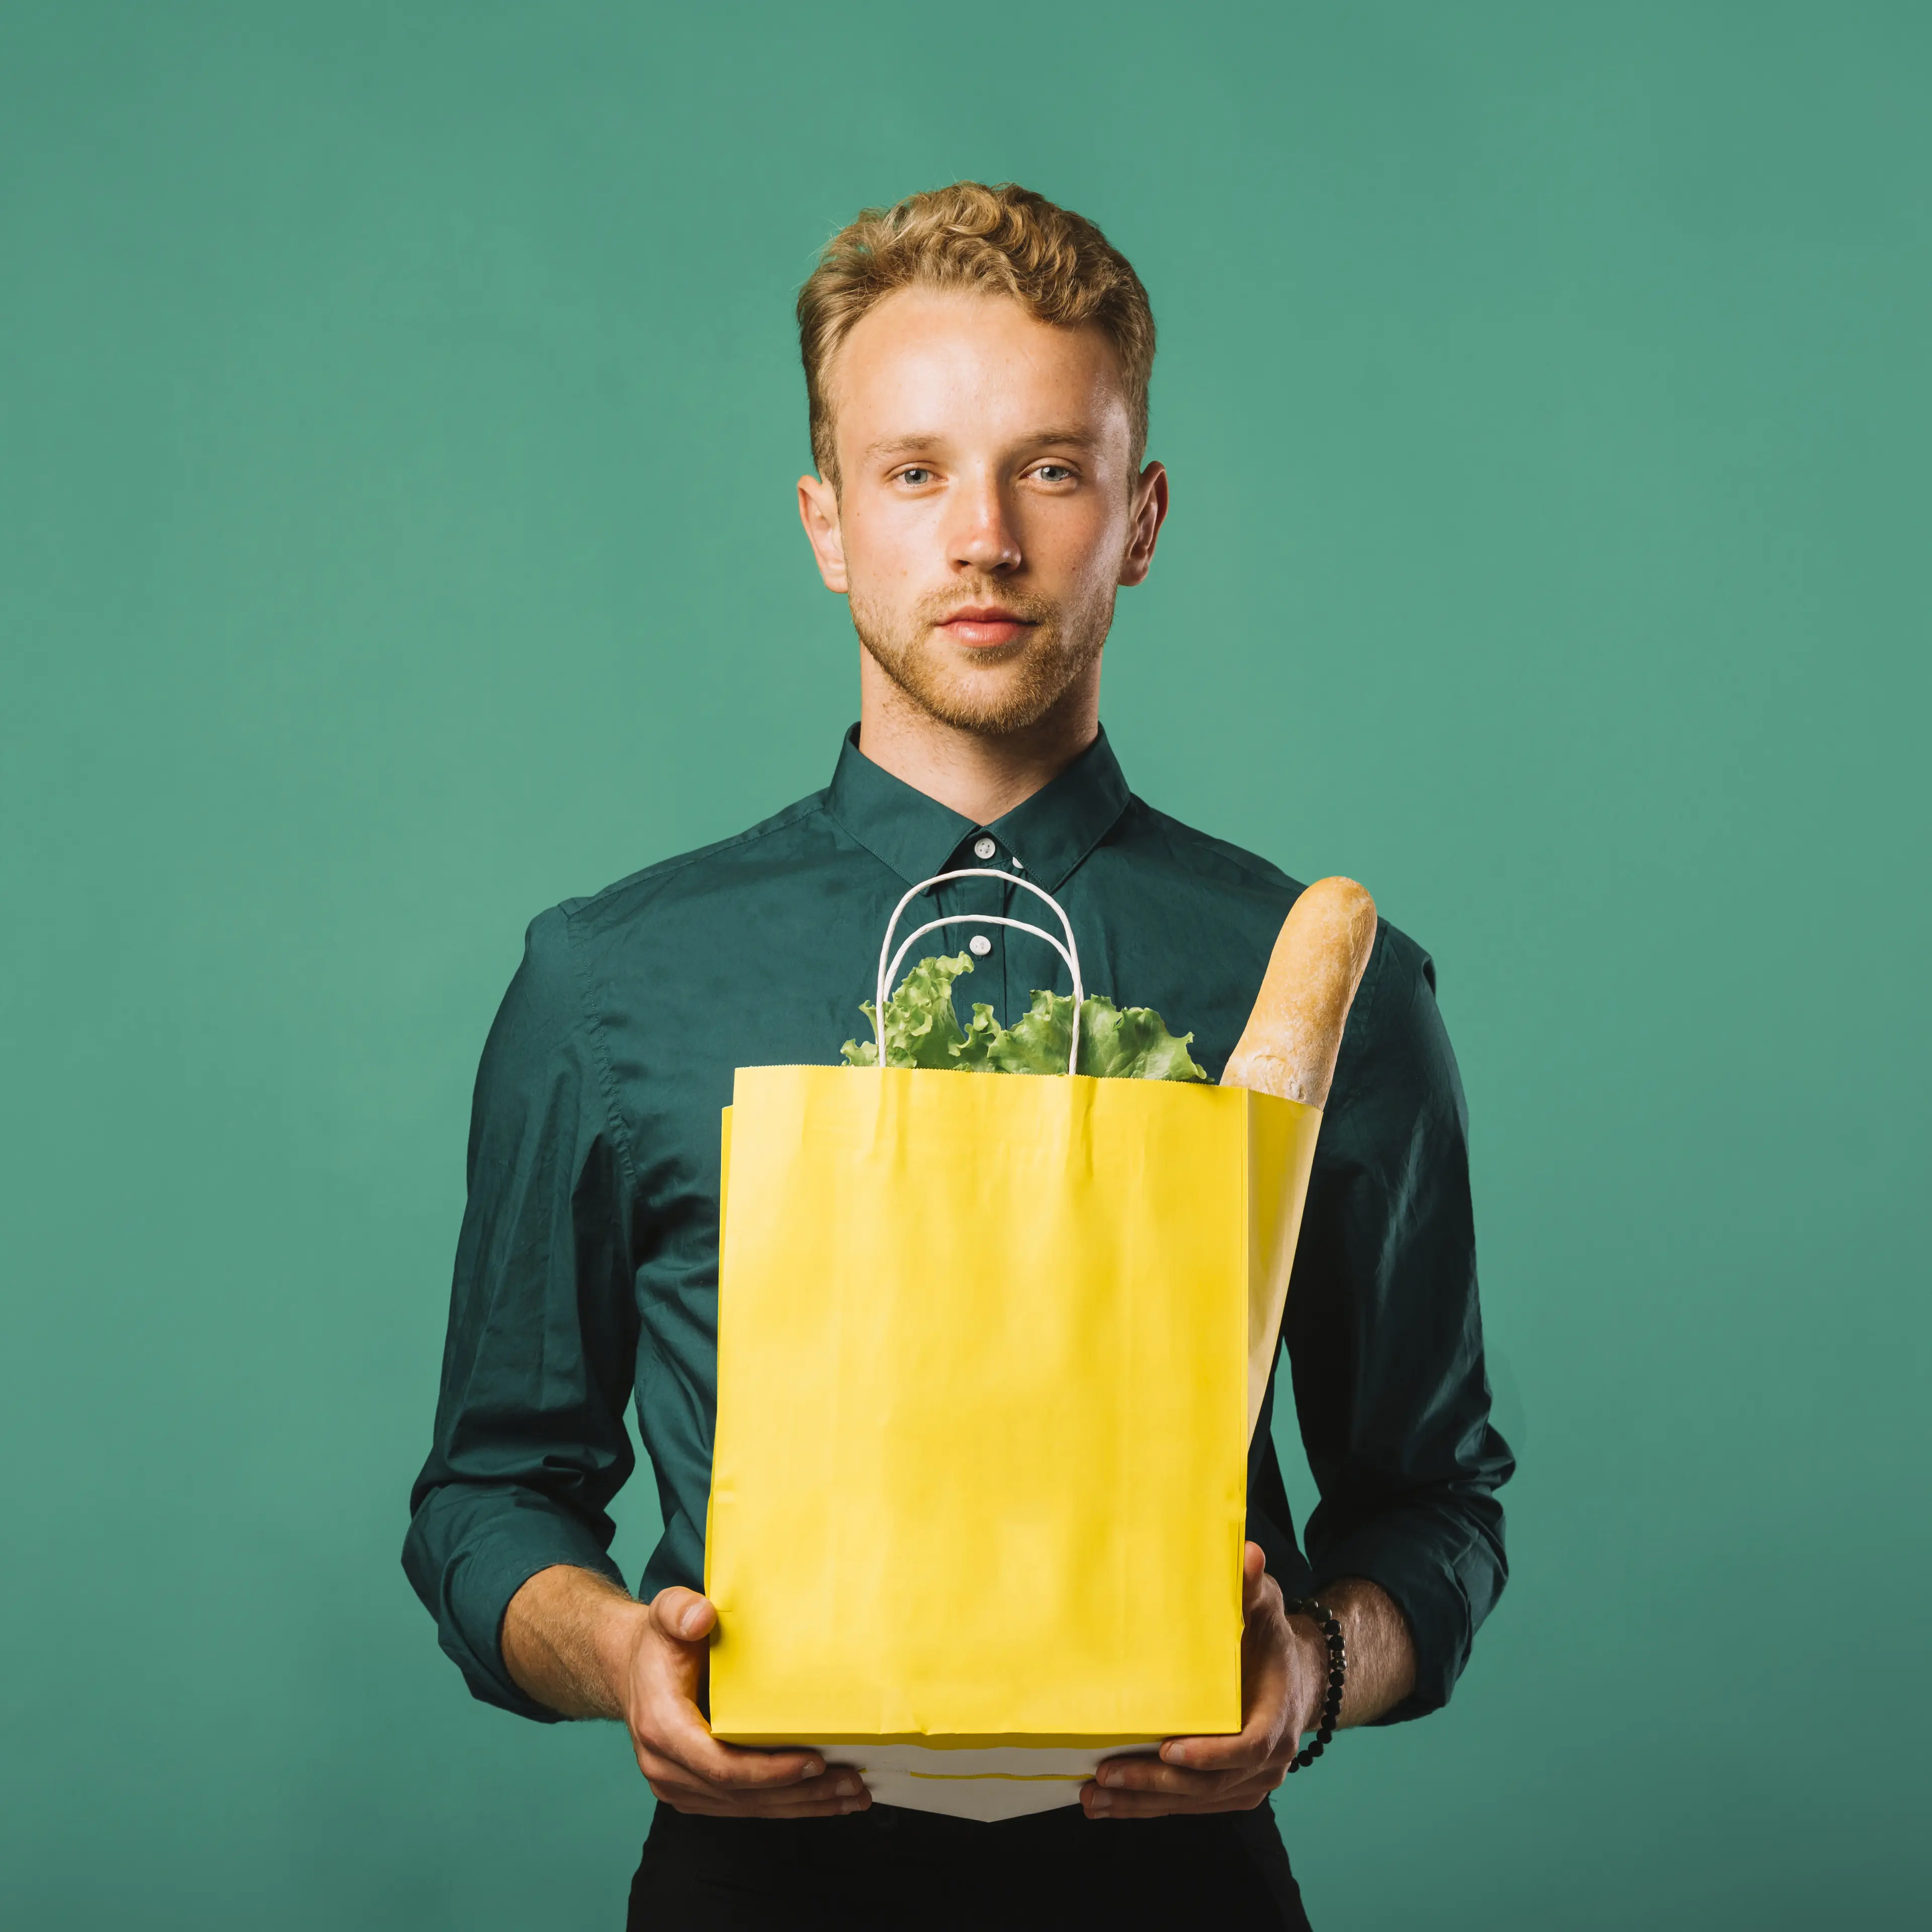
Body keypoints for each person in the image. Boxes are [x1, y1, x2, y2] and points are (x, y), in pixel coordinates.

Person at [405, 181, 1512, 1930]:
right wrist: (620, 1653)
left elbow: (1433, 1505)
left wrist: (1304, 1674)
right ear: (826, 522)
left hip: (1182, 1883)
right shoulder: (611, 978)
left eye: (1050, 469)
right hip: (755, 1885)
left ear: (1139, 519)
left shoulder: (1331, 981)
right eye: (913, 470)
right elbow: (489, 1496)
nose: (983, 537)